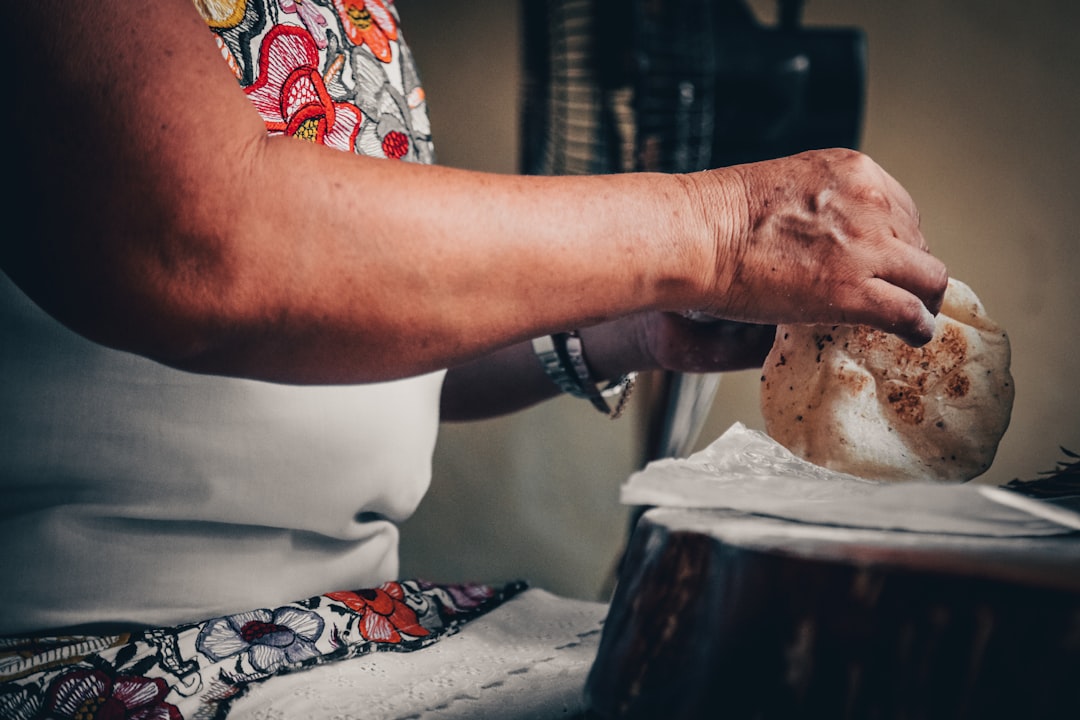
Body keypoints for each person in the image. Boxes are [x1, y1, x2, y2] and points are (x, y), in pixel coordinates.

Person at [0, 0, 947, 716]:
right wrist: (721, 227)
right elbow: (198, 250)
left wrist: (628, 328)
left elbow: (351, 320)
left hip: (351, 620)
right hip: (94, 649)